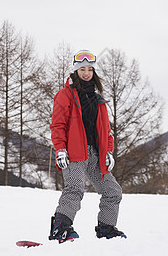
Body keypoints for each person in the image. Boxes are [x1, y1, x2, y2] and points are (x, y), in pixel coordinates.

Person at [48, 50, 126, 243]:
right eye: (81, 69)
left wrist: (107, 152)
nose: (85, 73)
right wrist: (60, 149)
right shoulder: (65, 95)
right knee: (75, 188)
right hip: (73, 152)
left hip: (95, 154)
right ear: (75, 71)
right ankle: (61, 227)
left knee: (112, 191)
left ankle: (106, 228)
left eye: (89, 69)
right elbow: (58, 125)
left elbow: (107, 132)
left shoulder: (99, 101)